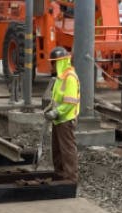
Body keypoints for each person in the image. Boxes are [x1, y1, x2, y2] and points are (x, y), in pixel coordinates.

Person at [45, 46, 80, 183]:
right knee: (58, 149)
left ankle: (71, 178)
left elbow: (70, 102)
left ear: (59, 62)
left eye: (52, 63)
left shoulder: (69, 77)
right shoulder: (60, 77)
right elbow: (57, 99)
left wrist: (55, 112)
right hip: (59, 119)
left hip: (66, 119)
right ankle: (60, 174)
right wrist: (49, 109)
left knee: (67, 150)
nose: (51, 66)